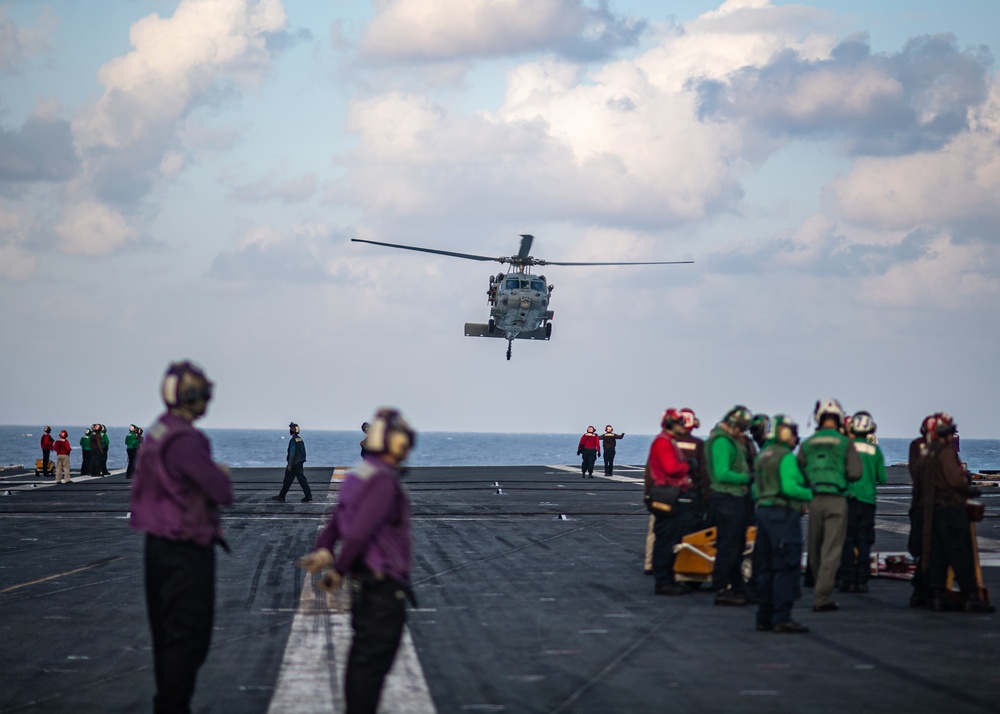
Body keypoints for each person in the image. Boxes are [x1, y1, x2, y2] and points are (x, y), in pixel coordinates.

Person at [296, 408, 417, 714]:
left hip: (365, 585)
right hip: (383, 587)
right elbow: (360, 532)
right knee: (371, 665)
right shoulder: (383, 480)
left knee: (362, 660)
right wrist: (337, 569)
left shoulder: (358, 474)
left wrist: (325, 548)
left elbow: (338, 519)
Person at [129, 361, 233, 714]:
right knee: (189, 636)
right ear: (192, 395)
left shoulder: (158, 431)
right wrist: (219, 473)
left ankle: (169, 703)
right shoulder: (188, 437)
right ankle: (174, 706)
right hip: (186, 550)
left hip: (156, 546)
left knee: (166, 633)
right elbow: (221, 491)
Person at [798, 398, 862, 613]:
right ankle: (822, 596)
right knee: (832, 549)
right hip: (836, 499)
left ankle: (819, 585)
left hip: (814, 499)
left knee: (814, 547)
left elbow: (798, 471)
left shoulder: (807, 443)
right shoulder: (845, 443)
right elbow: (855, 472)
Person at [925, 414, 994, 613]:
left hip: (935, 508)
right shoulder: (946, 453)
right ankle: (971, 595)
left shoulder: (928, 452)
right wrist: (969, 488)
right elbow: (955, 480)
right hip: (951, 507)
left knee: (938, 554)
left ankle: (937, 594)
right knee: (961, 554)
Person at [753, 415, 813, 633]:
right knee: (786, 566)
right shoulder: (785, 456)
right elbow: (790, 487)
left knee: (766, 567)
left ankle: (764, 616)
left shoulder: (762, 456)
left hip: (764, 513)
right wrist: (809, 492)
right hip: (783, 515)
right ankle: (782, 617)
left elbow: (754, 489)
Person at [705, 405, 754, 606]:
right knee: (728, 545)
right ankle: (723, 587)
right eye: (741, 428)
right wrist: (747, 478)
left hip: (736, 499)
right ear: (732, 424)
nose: (742, 432)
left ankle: (736, 586)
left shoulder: (732, 440)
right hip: (727, 498)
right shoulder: (722, 442)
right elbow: (722, 473)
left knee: (736, 545)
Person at [645, 408, 694, 596]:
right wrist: (687, 466)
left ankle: (667, 578)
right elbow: (670, 468)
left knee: (670, 539)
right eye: (680, 422)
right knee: (666, 540)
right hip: (667, 494)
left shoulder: (667, 441)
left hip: (670, 494)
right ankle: (663, 581)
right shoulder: (664, 442)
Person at [839, 411, 887, 594]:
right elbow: (882, 477)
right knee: (864, 541)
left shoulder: (846, 447)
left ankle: (848, 580)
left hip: (849, 500)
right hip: (867, 501)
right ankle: (862, 581)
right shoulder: (874, 450)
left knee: (848, 540)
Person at [908, 414, 938, 608]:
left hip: (919, 504)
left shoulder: (915, 446)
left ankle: (921, 591)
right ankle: (928, 590)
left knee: (921, 548)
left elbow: (914, 471)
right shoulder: (940, 449)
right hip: (932, 505)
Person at [272, 422, 312, 502]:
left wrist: (290, 465)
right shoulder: (300, 439)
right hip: (299, 463)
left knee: (287, 480)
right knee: (301, 480)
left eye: (291, 429)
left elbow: (292, 453)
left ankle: (282, 496)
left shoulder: (293, 440)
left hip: (294, 464)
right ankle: (308, 496)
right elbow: (303, 451)